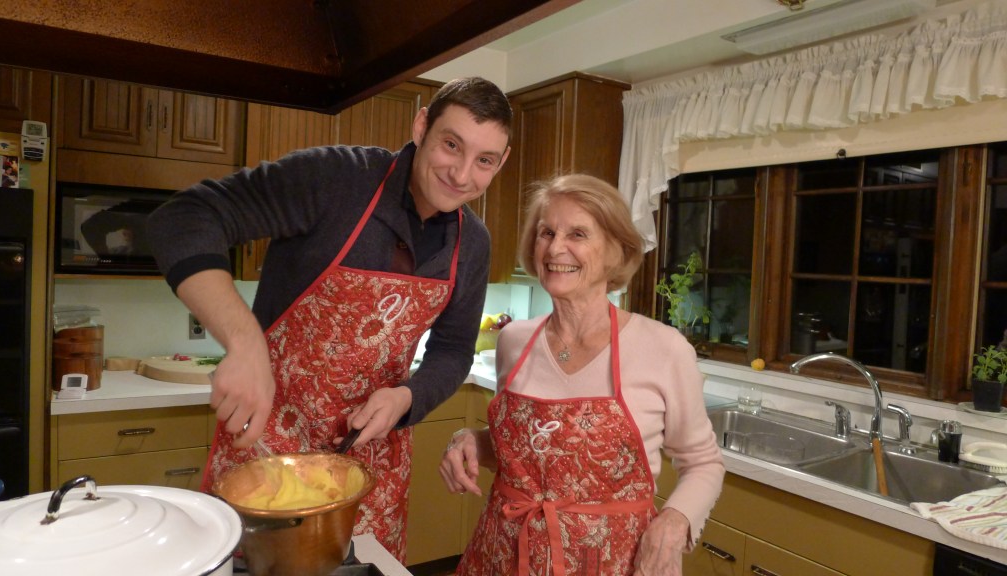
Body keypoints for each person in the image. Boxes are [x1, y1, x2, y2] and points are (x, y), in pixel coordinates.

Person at [146, 77, 512, 560]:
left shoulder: (473, 244)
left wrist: (407, 397)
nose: (462, 175)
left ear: (499, 163)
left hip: (373, 464)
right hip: (267, 450)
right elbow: (183, 217)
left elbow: (453, 350)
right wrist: (246, 343)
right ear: (421, 125)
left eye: (484, 161)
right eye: (451, 144)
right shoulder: (336, 180)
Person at [439, 174, 724, 576]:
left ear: (615, 252)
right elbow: (531, 451)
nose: (556, 248)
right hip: (503, 554)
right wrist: (468, 441)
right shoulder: (514, 342)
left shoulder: (663, 348)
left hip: (612, 562)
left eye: (577, 234)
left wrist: (676, 520)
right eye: (546, 232)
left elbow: (704, 462)